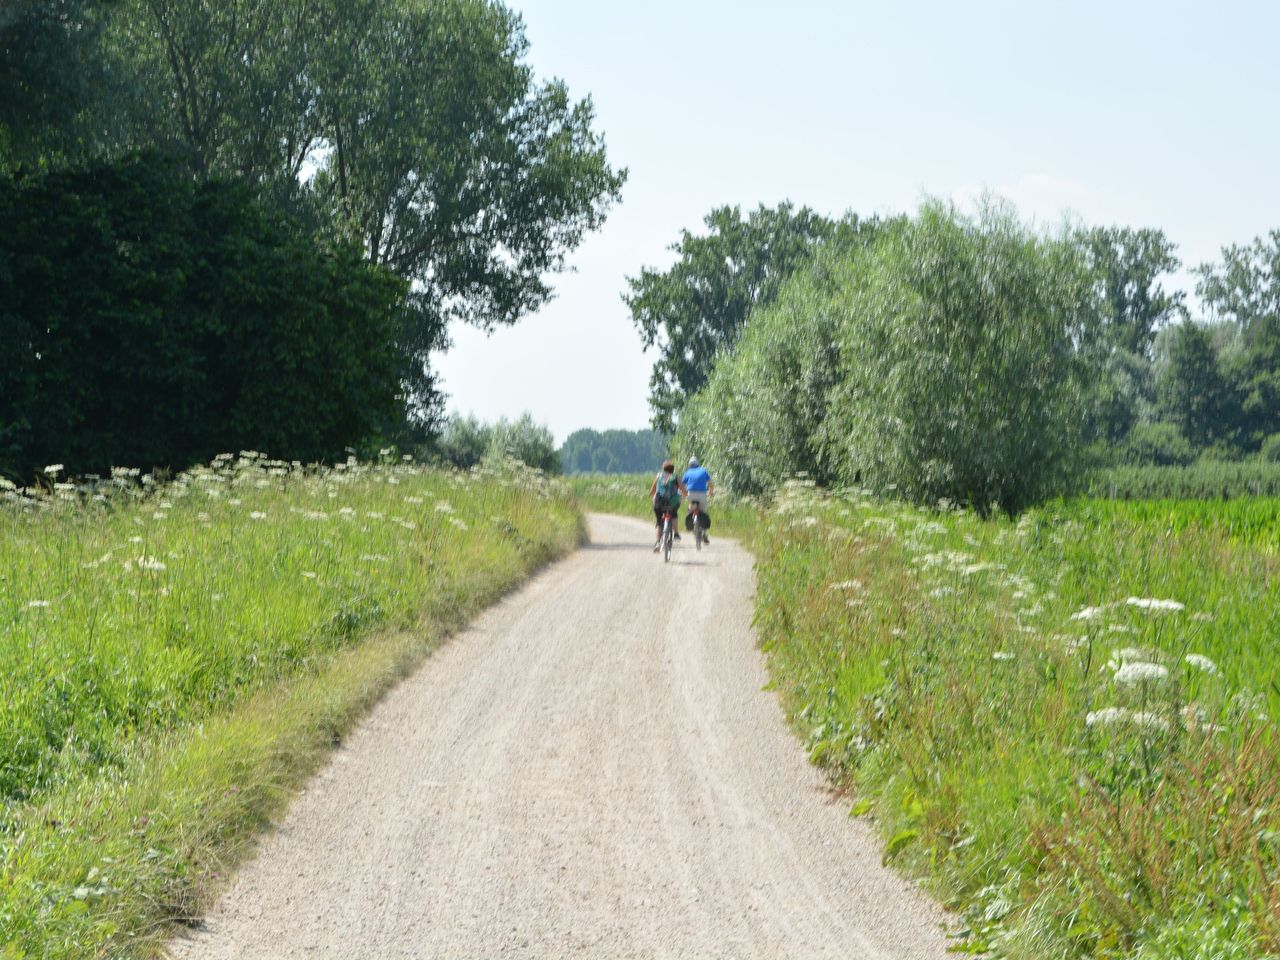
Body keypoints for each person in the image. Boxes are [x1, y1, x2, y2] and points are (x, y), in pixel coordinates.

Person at [648, 459, 686, 552]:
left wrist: (653, 497)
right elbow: (683, 490)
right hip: (672, 502)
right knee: (674, 514)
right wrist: (683, 497)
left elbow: (652, 491)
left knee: (659, 522)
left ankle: (657, 542)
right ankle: (676, 534)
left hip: (659, 502)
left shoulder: (658, 475)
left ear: (663, 469)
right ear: (672, 468)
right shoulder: (676, 476)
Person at [681, 456, 713, 544]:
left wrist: (682, 495)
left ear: (689, 465)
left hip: (691, 494)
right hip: (702, 494)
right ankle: (705, 534)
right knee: (704, 511)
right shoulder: (703, 470)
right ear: (698, 464)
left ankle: (690, 516)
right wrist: (710, 492)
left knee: (690, 508)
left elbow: (682, 485)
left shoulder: (687, 472)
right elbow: (710, 483)